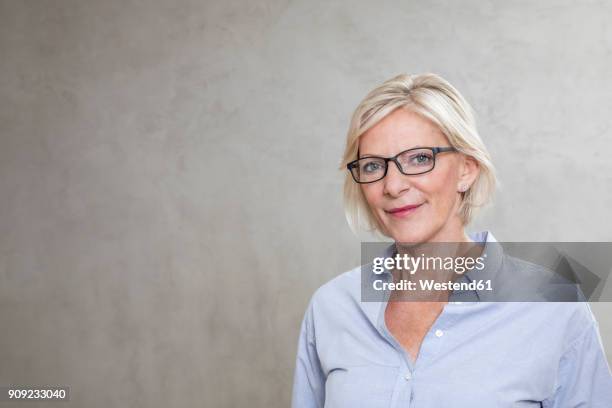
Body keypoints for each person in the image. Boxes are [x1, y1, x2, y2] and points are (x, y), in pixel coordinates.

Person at [290, 73, 612, 407]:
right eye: (373, 166)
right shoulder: (331, 308)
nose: (393, 186)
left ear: (466, 169)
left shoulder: (554, 306)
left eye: (419, 158)